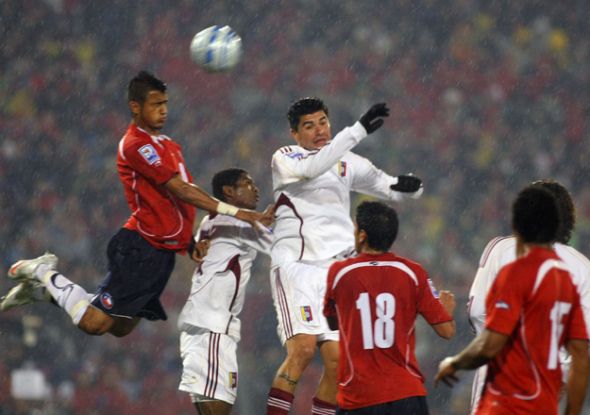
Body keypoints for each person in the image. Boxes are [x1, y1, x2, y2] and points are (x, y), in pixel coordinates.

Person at [1, 70, 273, 338]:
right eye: (156, 104)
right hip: (140, 247)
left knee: (121, 327)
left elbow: (180, 202)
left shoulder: (170, 145)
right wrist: (241, 214)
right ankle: (42, 270)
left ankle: (43, 292)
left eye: (165, 103)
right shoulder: (135, 145)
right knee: (94, 323)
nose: (163, 110)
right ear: (135, 107)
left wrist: (188, 243)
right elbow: (180, 190)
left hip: (161, 255)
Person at [265, 97, 424, 415]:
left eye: (322, 121)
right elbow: (312, 169)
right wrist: (360, 129)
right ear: (294, 134)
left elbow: (388, 186)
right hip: (296, 266)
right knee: (303, 350)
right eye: (308, 126)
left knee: (338, 361)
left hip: (335, 271)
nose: (319, 130)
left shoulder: (347, 161)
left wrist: (412, 187)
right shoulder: (285, 158)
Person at [436, 185, 589, 415]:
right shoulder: (582, 267)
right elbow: (583, 344)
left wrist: (459, 362)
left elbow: (477, 312)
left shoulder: (502, 251)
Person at [323, 201, 456, 414]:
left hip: (358, 396)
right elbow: (446, 331)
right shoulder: (413, 272)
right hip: (405, 395)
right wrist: (445, 312)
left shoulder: (338, 272)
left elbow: (332, 323)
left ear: (362, 235)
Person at [177, 168, 273, 415]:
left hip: (203, 323)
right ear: (229, 192)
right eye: (247, 183)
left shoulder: (210, 221)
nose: (255, 188)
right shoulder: (240, 222)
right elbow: (285, 248)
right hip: (213, 326)